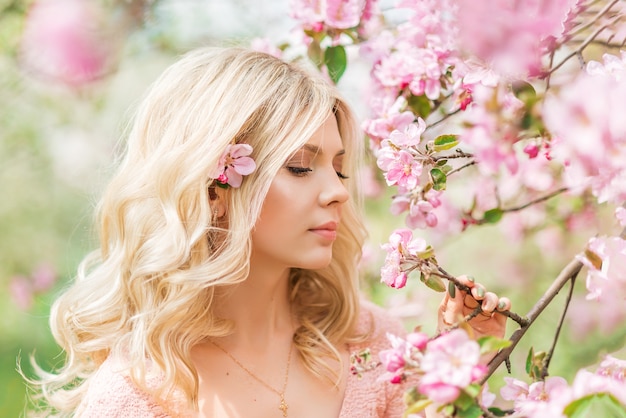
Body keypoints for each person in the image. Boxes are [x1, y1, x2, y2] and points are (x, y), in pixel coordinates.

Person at [31, 47, 511, 417]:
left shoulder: (371, 344)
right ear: (212, 188)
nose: (338, 193)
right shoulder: (137, 393)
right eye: (301, 167)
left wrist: (462, 356)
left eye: (340, 170)